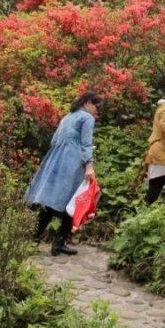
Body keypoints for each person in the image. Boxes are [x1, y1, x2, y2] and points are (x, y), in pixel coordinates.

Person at [25, 92, 101, 256]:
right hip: (71, 162)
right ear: (88, 103)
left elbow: (54, 140)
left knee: (50, 201)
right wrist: (89, 165)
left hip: (55, 159)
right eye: (96, 105)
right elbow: (86, 143)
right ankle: (58, 243)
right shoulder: (87, 118)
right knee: (71, 201)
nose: (96, 110)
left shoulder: (68, 116)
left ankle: (34, 239)